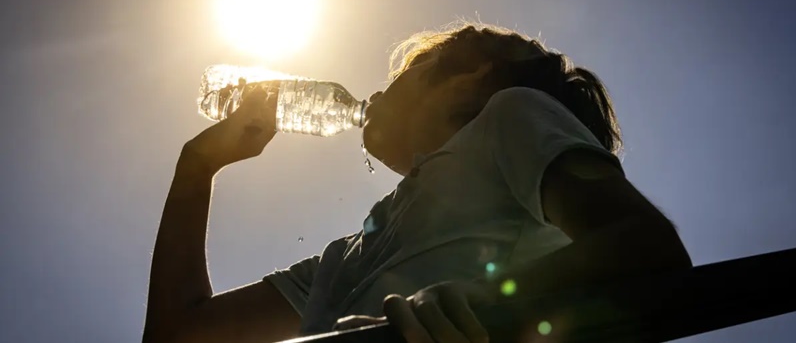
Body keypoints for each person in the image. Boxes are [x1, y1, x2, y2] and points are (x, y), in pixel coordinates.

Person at [143, 24, 692, 343]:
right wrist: (196, 168)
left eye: (405, 72)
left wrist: (478, 306)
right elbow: (177, 335)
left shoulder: (512, 114)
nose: (380, 92)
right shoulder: (348, 257)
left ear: (470, 70)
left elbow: (646, 247)